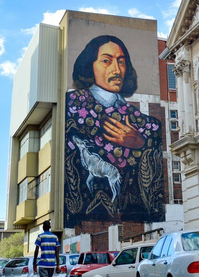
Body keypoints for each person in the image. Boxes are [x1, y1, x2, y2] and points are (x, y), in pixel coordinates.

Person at [64, 35, 164, 227]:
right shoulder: (73, 105)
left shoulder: (140, 120)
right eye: (106, 61)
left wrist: (141, 143)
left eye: (121, 62)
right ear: (89, 66)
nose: (117, 70)